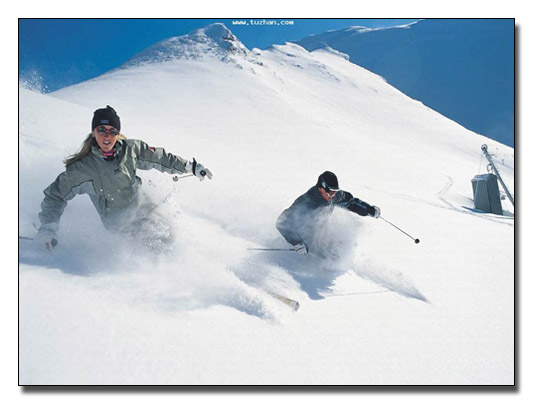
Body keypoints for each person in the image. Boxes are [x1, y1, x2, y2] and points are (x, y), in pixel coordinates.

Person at [35, 105, 212, 251]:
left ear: (118, 133)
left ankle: (180, 265)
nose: (107, 135)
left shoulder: (131, 149)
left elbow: (161, 158)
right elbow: (56, 196)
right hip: (120, 223)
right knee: (153, 248)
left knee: (170, 237)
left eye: (112, 131)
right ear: (94, 132)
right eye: (101, 130)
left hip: (144, 206)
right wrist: (48, 228)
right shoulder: (83, 168)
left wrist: (190, 167)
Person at [276, 171, 380, 255]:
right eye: (330, 192)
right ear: (321, 189)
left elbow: (351, 202)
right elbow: (282, 222)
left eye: (335, 191)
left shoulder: (333, 197)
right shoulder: (306, 202)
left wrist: (369, 210)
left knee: (339, 252)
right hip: (305, 241)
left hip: (320, 236)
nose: (333, 195)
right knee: (329, 256)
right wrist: (296, 243)